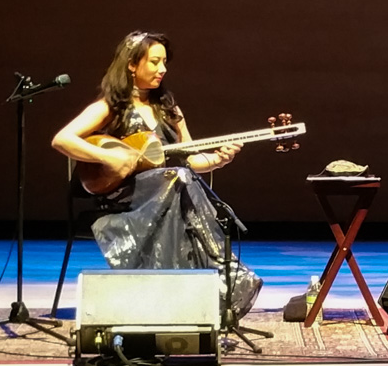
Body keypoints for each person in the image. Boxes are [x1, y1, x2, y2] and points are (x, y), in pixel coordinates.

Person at [51, 31, 262, 318]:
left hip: (171, 189)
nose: (163, 69)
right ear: (131, 65)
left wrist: (217, 160)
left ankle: (196, 294)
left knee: (178, 178)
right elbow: (62, 140)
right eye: (154, 62)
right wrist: (109, 155)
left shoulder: (170, 111)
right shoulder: (111, 108)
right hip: (126, 197)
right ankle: (217, 278)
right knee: (178, 179)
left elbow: (189, 160)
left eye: (164, 62)